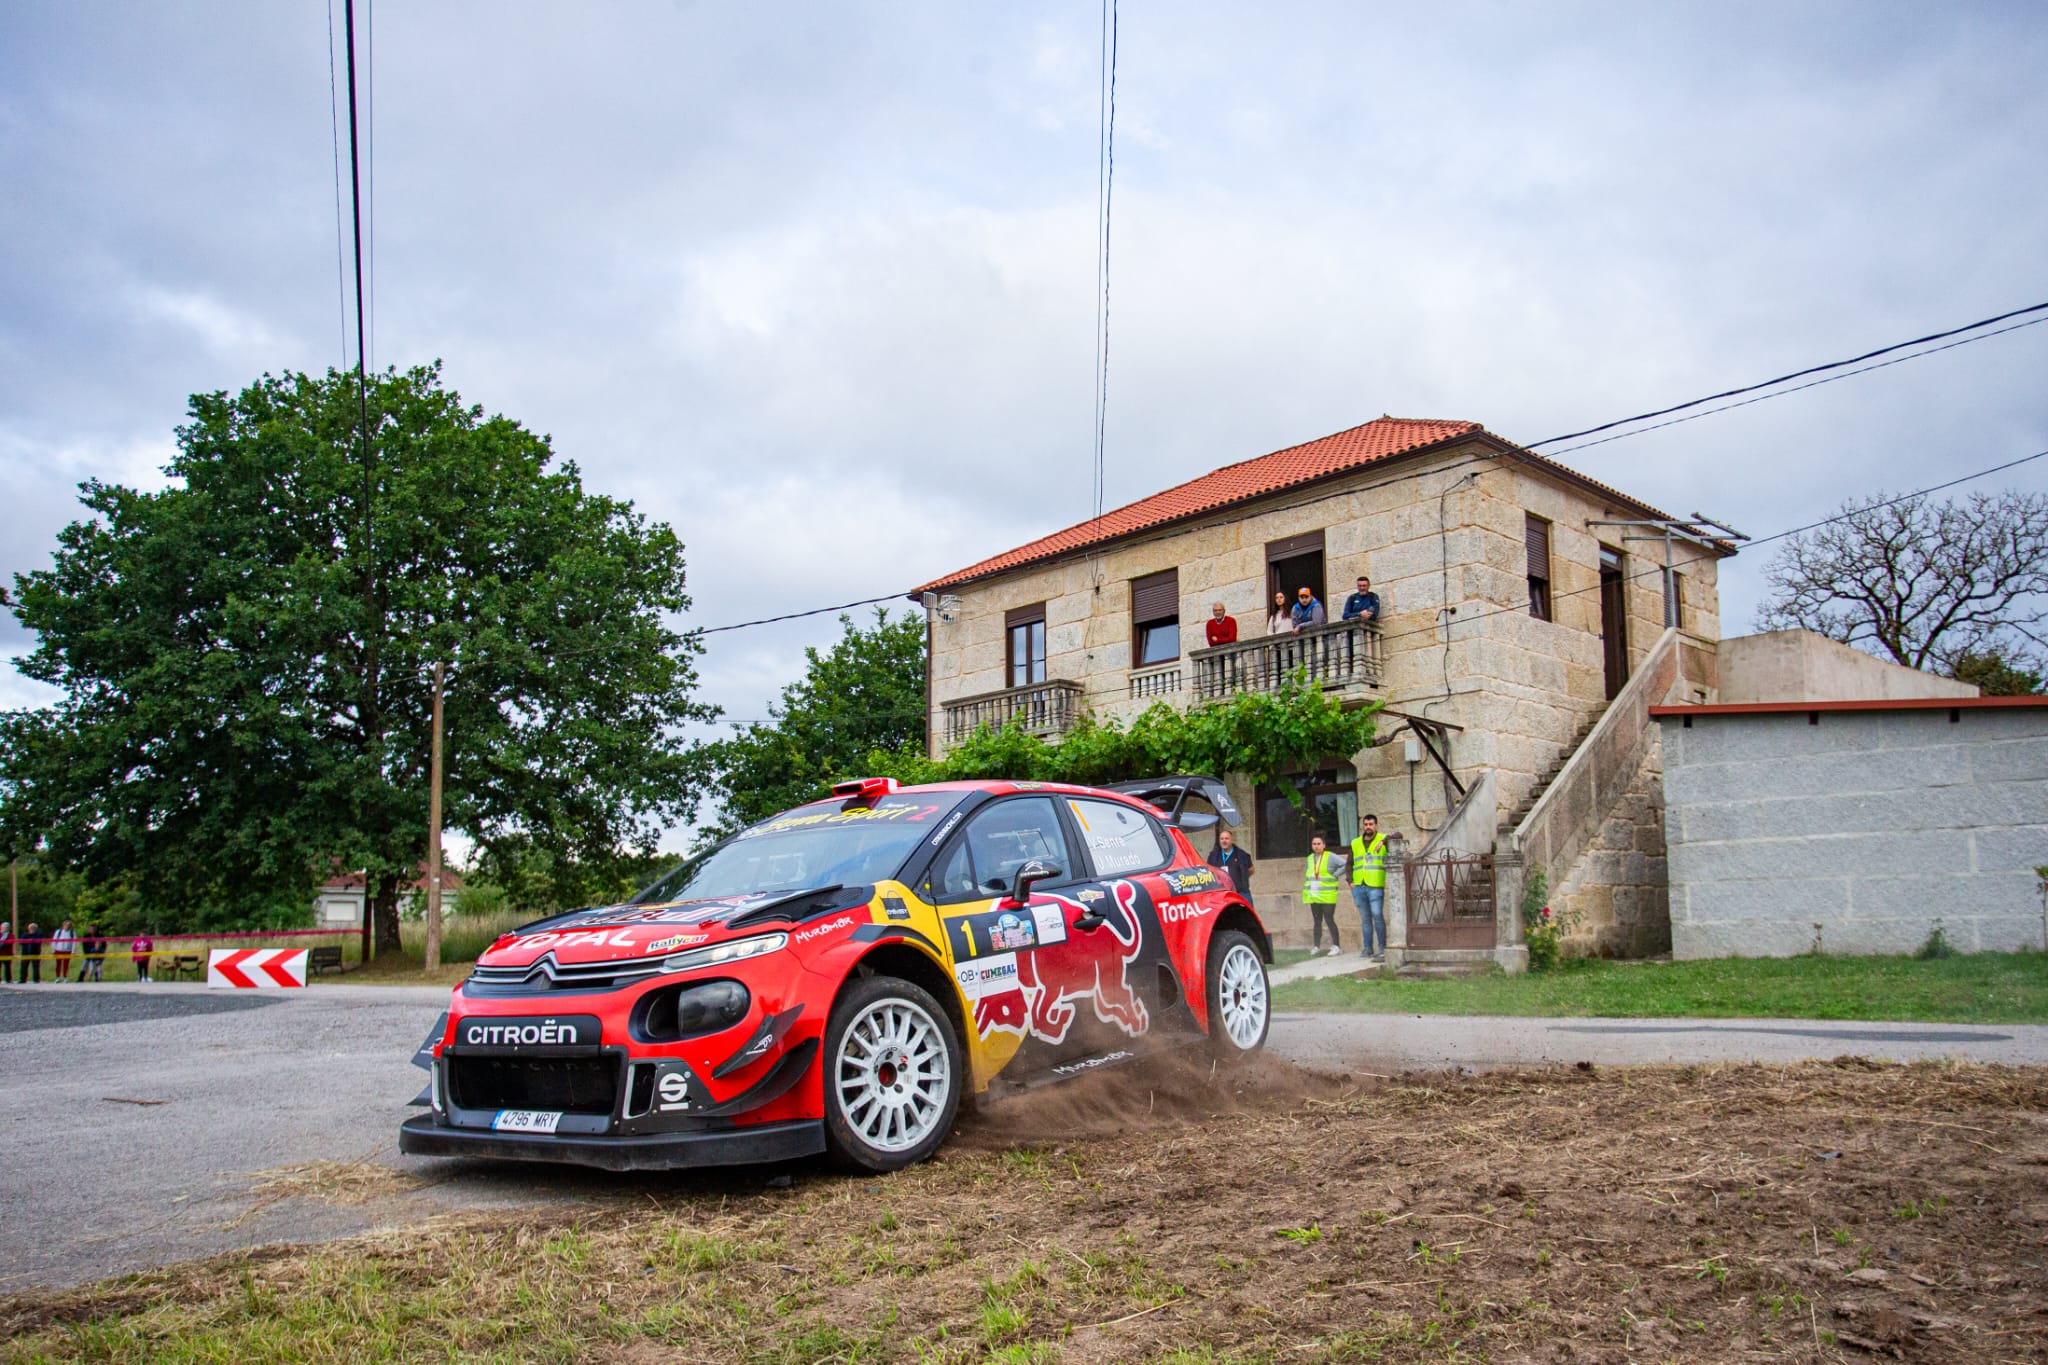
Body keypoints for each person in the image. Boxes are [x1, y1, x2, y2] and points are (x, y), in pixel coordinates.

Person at [1350, 814, 1390, 961]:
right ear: (1363, 826)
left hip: (1375, 886)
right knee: (1365, 919)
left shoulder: (1383, 839)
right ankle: (1368, 948)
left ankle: (1382, 948)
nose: (1368, 827)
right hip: (1359, 886)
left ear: (1376, 826)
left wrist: (1385, 841)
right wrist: (1350, 881)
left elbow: (1399, 835)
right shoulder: (1355, 843)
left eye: (1371, 824)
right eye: (1365, 824)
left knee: (1377, 916)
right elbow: (1349, 863)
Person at [1302, 833, 1344, 955]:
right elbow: (1308, 873)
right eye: (1314, 844)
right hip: (1314, 895)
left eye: (1319, 844)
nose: (1316, 846)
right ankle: (1316, 946)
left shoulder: (1330, 856)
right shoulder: (1309, 858)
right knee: (1317, 921)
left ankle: (1336, 946)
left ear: (1324, 845)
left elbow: (1344, 864)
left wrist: (1335, 875)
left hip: (1327, 895)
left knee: (1329, 919)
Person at [1207, 827, 1254, 904]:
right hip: (1221, 894)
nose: (1224, 841)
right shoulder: (1213, 855)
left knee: (1245, 914)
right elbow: (1209, 871)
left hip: (1240, 892)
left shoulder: (1241, 855)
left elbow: (1251, 869)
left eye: (1226, 838)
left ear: (1232, 840)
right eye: (1222, 839)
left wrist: (1242, 877)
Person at [0, 919, 12, 984]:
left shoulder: (10, 935)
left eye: (5, 927)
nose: (3, 928)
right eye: (2, 927)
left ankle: (8, 979)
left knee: (7, 967)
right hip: (0, 953)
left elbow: (10, 943)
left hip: (7, 953)